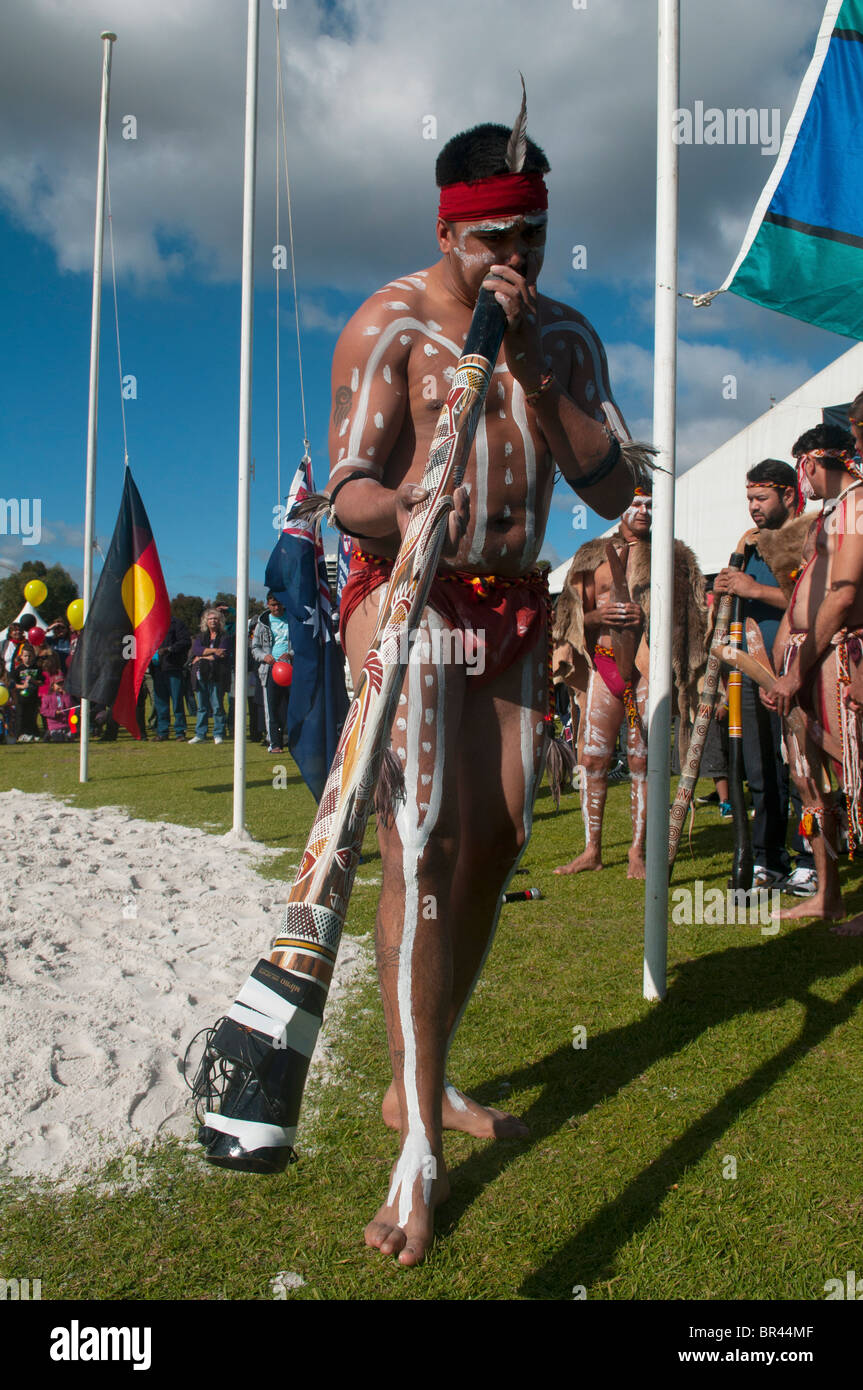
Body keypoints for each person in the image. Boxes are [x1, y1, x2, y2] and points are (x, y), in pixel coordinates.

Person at [310, 106, 646, 1265]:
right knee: (421, 841)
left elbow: (610, 493)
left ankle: (421, 1077)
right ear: (446, 227)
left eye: (533, 238)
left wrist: (544, 380)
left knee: (499, 835)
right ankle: (417, 1164)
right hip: (407, 597)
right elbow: (345, 484)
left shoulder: (564, 336)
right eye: (491, 237)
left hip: (509, 607)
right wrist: (400, 510)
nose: (514, 259)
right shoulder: (390, 324)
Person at [552, 485, 707, 878]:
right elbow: (572, 620)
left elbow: (687, 620)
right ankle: (592, 850)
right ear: (620, 508)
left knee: (643, 760)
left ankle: (638, 850)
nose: (643, 510)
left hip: (647, 668)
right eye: (635, 502)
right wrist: (602, 619)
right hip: (604, 664)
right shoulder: (591, 556)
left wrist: (647, 622)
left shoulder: (671, 557)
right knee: (593, 758)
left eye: (651, 505)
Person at [762, 420, 863, 932]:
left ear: (820, 460)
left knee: (855, 776)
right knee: (808, 783)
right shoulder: (826, 517)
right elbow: (802, 590)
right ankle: (829, 895)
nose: (805, 479)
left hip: (839, 659)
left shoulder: (859, 507)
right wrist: (778, 658)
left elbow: (843, 597)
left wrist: (795, 670)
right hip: (804, 660)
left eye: (803, 465)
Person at [713, 459, 814, 893]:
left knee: (804, 769)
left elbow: (816, 599)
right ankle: (768, 861)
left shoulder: (812, 535)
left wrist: (754, 590)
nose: (753, 507)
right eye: (749, 499)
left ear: (788, 494)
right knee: (760, 771)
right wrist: (721, 590)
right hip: (752, 670)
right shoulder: (749, 546)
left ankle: (810, 860)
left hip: (798, 667)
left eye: (761, 498)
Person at [252, 593, 293, 754]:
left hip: (290, 668)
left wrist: (291, 653)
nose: (276, 608)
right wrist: (264, 656)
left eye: (279, 604)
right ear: (268, 605)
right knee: (272, 708)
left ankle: (292, 740)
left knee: (292, 707)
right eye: (273, 605)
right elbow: (255, 648)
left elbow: (300, 642)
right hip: (270, 670)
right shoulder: (262, 624)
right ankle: (274, 742)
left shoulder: (292, 620)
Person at [188, 609, 231, 744]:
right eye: (210, 618)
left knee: (217, 705)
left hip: (217, 675)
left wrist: (201, 657)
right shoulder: (200, 637)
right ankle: (200, 734)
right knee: (202, 706)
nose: (213, 621)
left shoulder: (225, 637)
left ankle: (218, 733)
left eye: (216, 618)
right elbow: (197, 650)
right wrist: (212, 652)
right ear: (206, 621)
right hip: (201, 674)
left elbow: (222, 654)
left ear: (220, 621)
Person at [151, 613, 191, 741]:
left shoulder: (176, 623)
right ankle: (162, 731)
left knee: (177, 701)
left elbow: (186, 642)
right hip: (157, 668)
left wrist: (169, 649)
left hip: (173, 667)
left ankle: (180, 732)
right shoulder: (151, 624)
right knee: (160, 702)